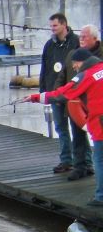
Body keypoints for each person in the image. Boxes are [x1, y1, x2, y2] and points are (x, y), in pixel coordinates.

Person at [29, 48, 103, 206]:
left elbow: (62, 93)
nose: (74, 67)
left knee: (100, 160)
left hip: (100, 125)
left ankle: (101, 197)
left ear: (81, 62)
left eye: (75, 64)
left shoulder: (85, 75)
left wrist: (35, 98)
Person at [56, 24, 102, 180]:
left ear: (94, 38)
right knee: (77, 136)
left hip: (95, 107)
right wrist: (56, 94)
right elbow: (63, 75)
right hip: (75, 104)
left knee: (97, 139)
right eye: (80, 36)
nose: (81, 39)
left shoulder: (101, 56)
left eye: (84, 37)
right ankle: (80, 166)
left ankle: (91, 166)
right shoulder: (72, 54)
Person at [39, 13, 79, 174]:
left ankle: (83, 161)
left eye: (55, 25)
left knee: (78, 128)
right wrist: (43, 91)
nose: (52, 29)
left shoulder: (76, 42)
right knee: (61, 128)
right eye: (50, 26)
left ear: (64, 25)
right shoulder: (49, 45)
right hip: (55, 93)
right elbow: (44, 68)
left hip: (73, 93)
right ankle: (66, 160)